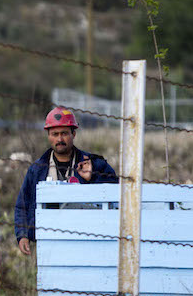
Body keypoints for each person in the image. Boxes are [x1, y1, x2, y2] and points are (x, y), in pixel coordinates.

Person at [14, 106, 118, 256]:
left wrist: (92, 178)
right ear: (48, 136)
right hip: (48, 242)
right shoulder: (36, 170)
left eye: (64, 133)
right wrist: (22, 235)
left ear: (73, 134)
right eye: (55, 134)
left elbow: (115, 193)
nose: (60, 139)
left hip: (87, 242)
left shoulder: (95, 164)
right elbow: (22, 205)